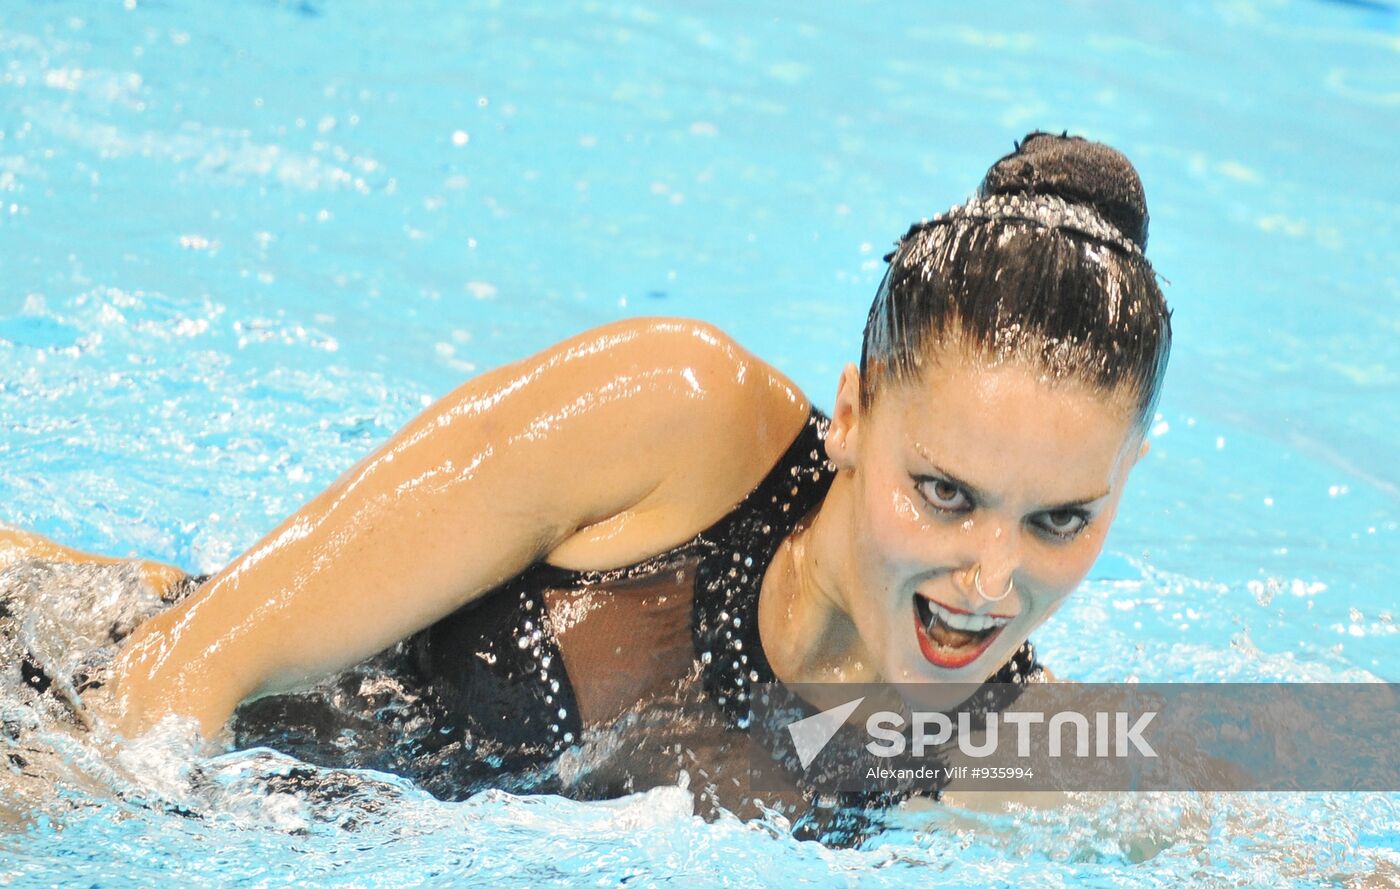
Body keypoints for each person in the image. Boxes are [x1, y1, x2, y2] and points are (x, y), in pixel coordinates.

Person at [3, 132, 1170, 818]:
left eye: (1060, 517)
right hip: (65, 696)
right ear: (855, 414)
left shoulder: (1006, 746)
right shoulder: (675, 417)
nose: (988, 579)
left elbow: (1258, 812)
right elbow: (188, 663)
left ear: (1125, 482)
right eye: (946, 492)